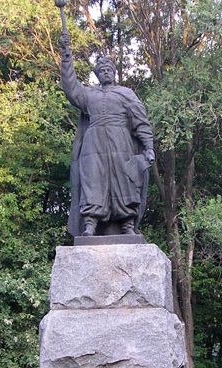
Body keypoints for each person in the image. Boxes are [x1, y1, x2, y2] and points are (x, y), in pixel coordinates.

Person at [59, 32, 155, 237]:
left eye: (108, 69)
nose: (105, 72)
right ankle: (90, 226)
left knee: (125, 182)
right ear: (97, 75)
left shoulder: (126, 94)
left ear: (114, 72)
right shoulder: (89, 94)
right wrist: (66, 55)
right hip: (93, 146)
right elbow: (70, 88)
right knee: (93, 182)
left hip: (121, 143)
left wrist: (149, 147)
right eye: (101, 70)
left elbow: (141, 122)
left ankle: (127, 225)